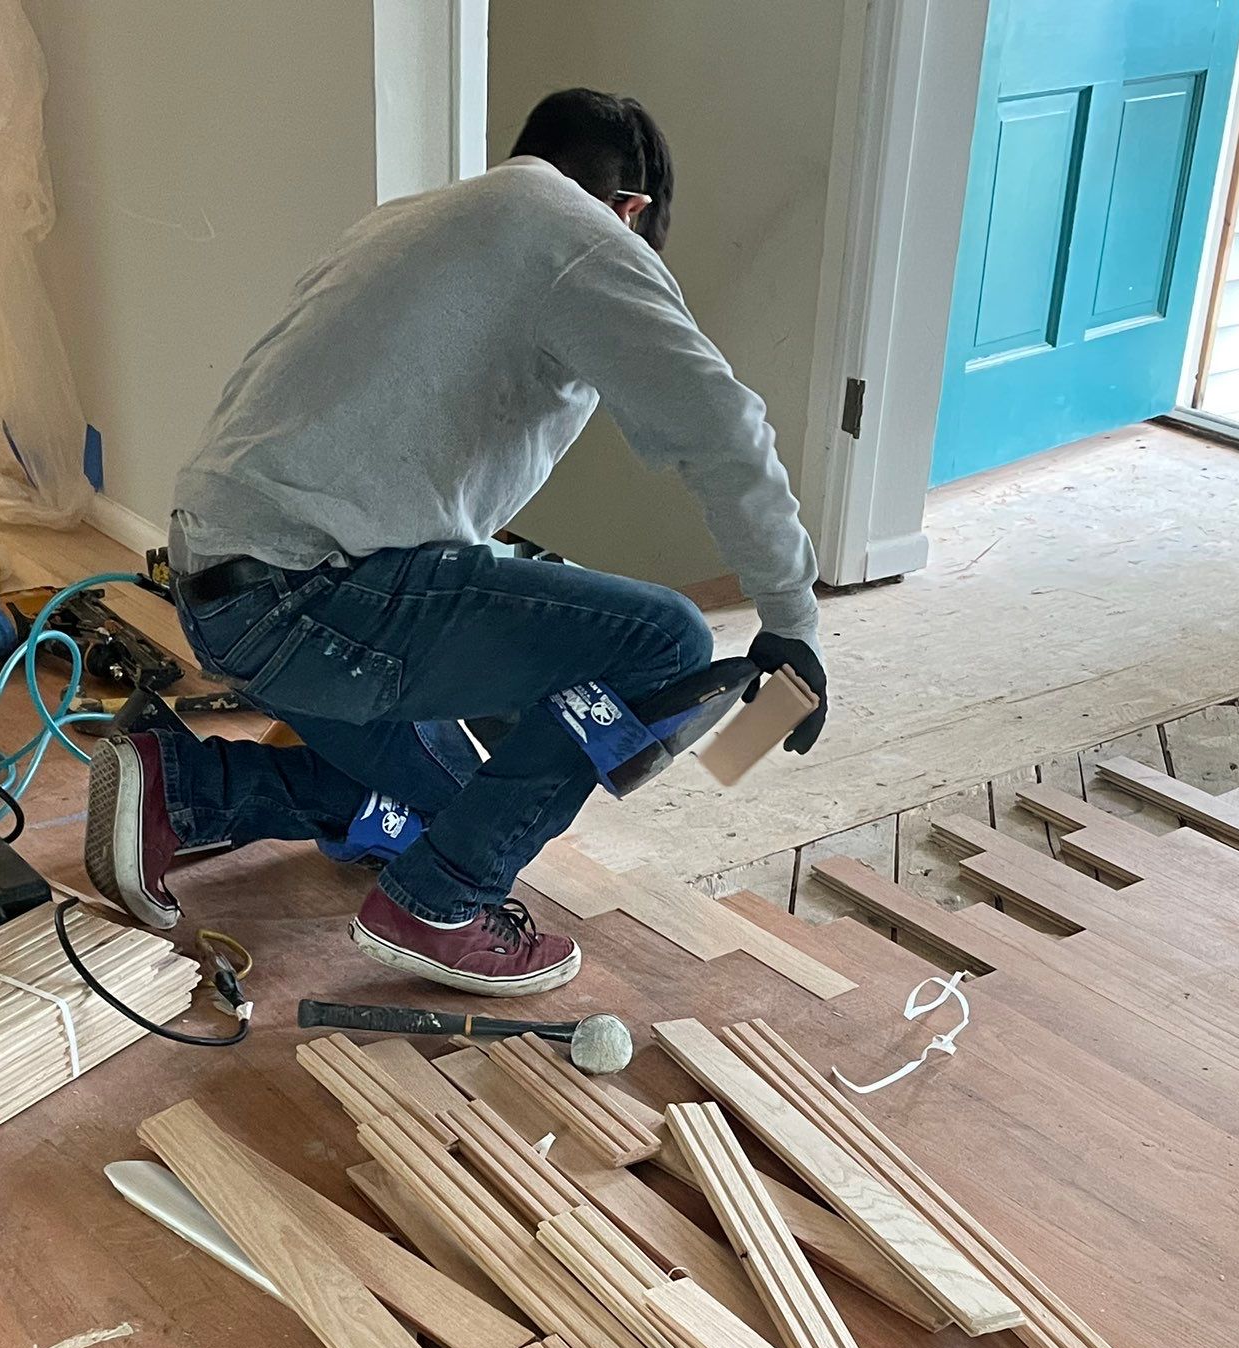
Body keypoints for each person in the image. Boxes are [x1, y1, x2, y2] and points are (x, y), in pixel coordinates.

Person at [84, 88, 828, 997]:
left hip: (224, 592)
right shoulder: (584, 240)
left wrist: (536, 685)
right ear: (630, 211)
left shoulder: (416, 222)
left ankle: (186, 785)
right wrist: (791, 622)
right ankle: (441, 906)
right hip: (316, 601)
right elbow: (726, 429)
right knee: (665, 640)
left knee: (443, 813)